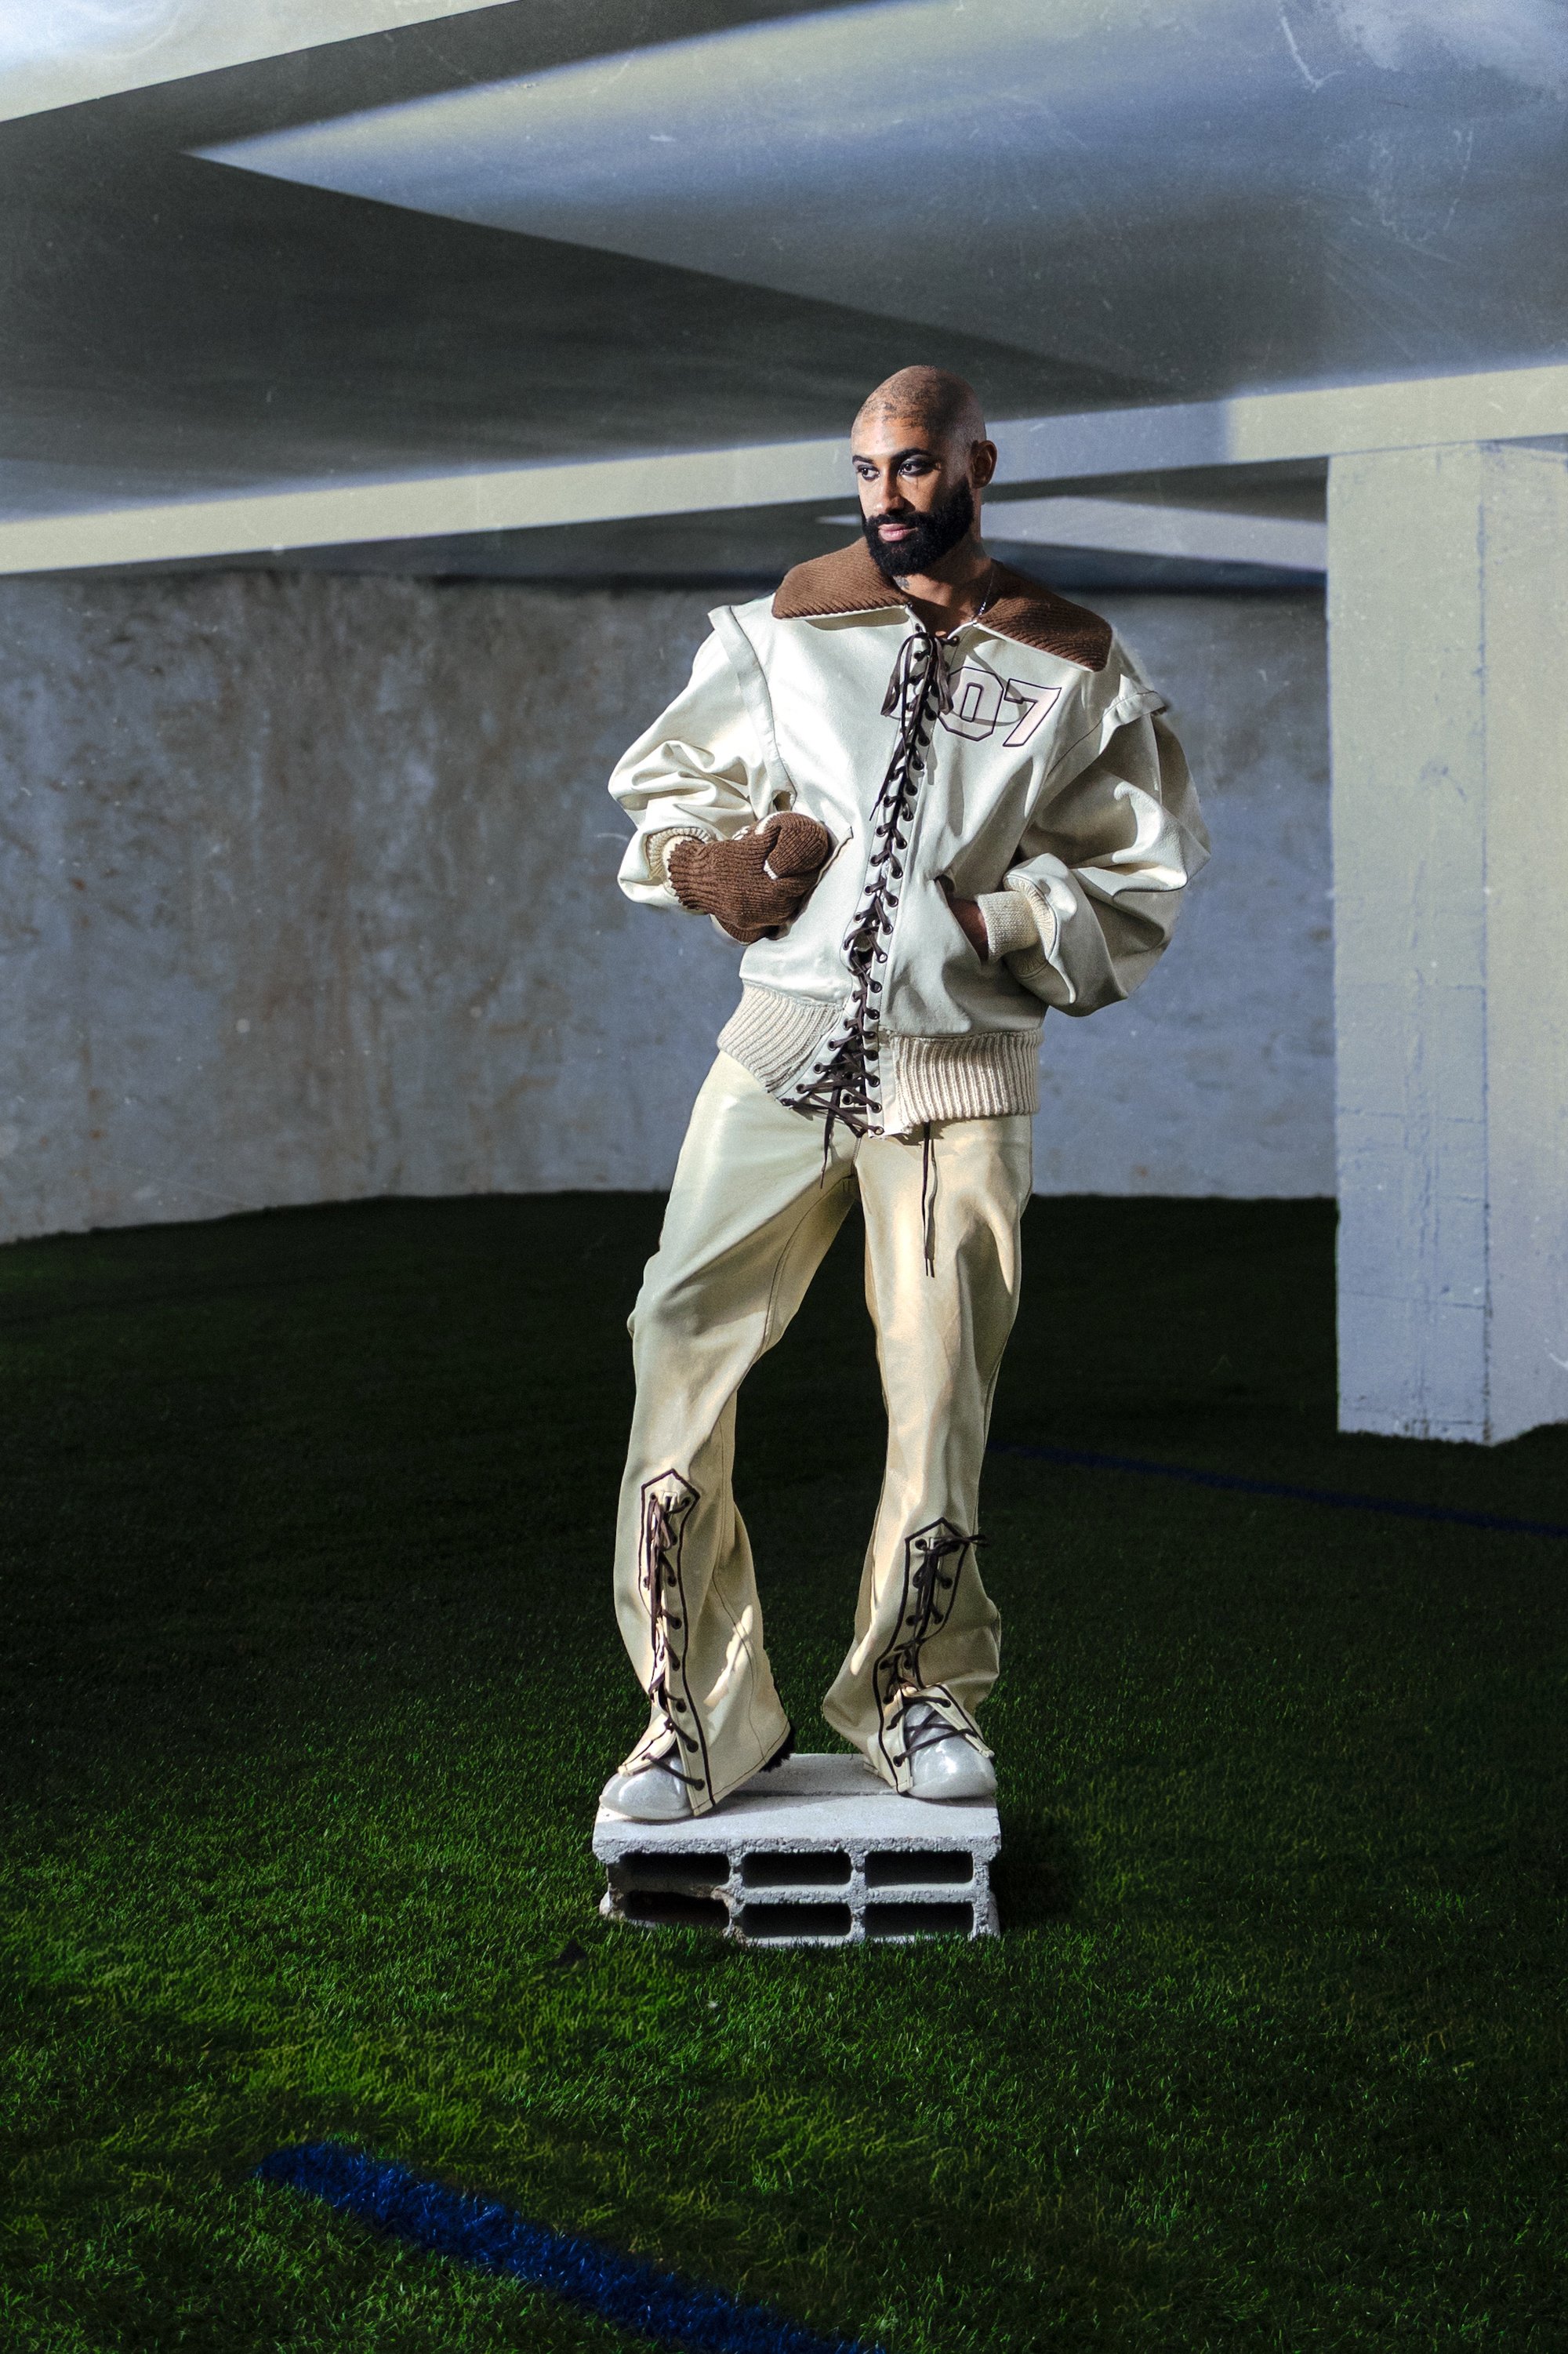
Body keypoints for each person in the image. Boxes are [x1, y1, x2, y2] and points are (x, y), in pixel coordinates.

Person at [599, 367, 1208, 1822]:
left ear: (977, 465)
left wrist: (998, 919)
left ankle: (913, 1692)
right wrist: (713, 868)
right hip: (776, 1060)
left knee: (940, 1387)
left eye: (916, 466)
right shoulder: (783, 629)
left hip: (960, 1081)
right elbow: (666, 790)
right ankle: (693, 1717)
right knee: (677, 1338)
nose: (887, 496)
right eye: (867, 471)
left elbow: (1142, 874)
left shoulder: (1076, 666)